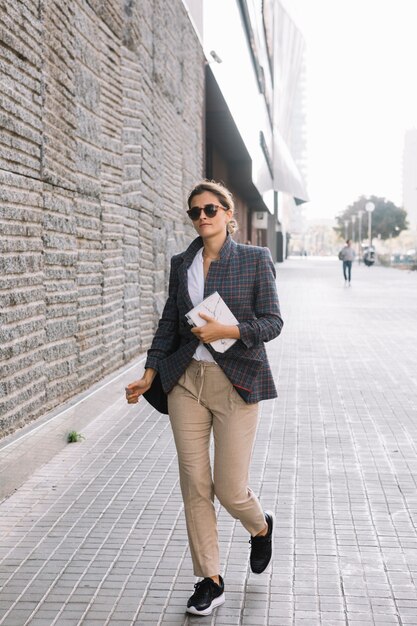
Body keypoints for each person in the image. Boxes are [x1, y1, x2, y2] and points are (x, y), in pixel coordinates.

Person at [125, 180, 283, 616]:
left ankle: (259, 525)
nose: (203, 217)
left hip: (236, 381)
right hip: (186, 382)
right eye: (195, 212)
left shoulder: (254, 259)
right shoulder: (182, 263)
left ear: (229, 214)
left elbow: (272, 322)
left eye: (211, 209)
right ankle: (209, 580)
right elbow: (168, 324)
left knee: (230, 489)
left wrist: (227, 331)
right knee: (195, 485)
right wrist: (150, 373)